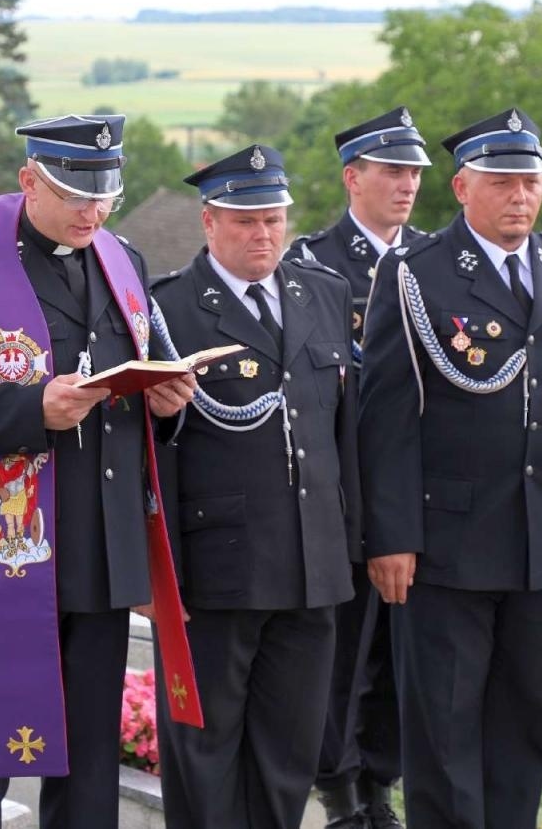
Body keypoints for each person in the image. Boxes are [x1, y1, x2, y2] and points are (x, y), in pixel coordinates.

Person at [0, 114, 199, 829]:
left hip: (98, 557)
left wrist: (167, 401)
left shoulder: (124, 260)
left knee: (88, 778)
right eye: (74, 194)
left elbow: (147, 377)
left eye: (105, 195)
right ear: (29, 181)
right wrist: (31, 412)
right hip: (2, 555)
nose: (93, 211)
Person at [358, 109, 542, 829]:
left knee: (522, 728)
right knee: (444, 736)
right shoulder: (416, 275)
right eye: (504, 181)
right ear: (461, 187)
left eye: (531, 182)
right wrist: (389, 536)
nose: (521, 196)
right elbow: (385, 418)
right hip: (444, 550)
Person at [150, 144, 359, 829]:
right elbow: (152, 454)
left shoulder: (322, 293)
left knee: (288, 751)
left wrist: (351, 541)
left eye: (273, 218)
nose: (263, 234)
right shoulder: (170, 311)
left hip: (312, 567)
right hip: (218, 570)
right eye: (245, 221)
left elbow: (342, 434)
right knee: (205, 752)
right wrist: (162, 578)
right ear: (209, 222)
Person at [284, 105, 430, 829]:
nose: (406, 185)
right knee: (344, 652)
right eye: (392, 171)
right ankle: (338, 789)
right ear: (353, 178)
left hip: (419, 492)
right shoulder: (310, 265)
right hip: (342, 493)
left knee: (404, 655)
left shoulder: (434, 261)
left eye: (414, 173)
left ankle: (382, 782)